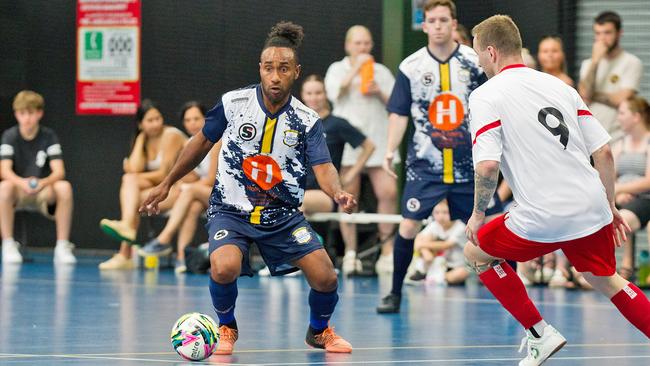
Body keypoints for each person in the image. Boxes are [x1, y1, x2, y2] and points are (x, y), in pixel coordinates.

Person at [140, 22, 356, 355]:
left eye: (283, 69)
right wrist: (167, 182)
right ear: (260, 68)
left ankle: (318, 330)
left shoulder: (306, 119)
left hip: (283, 215)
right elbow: (199, 143)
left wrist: (338, 192)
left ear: (295, 72)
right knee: (223, 266)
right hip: (231, 209)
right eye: (268, 68)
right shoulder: (234, 103)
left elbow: (323, 167)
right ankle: (226, 326)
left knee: (326, 277)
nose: (274, 76)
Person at [465, 15, 650, 365]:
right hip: (590, 207)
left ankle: (539, 333)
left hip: (542, 216)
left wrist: (477, 216)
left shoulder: (485, 95)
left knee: (476, 254)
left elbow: (487, 165)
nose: (477, 62)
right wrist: (609, 206)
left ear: (491, 52)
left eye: (478, 54)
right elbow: (605, 152)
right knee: (607, 281)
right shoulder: (561, 87)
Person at [376, 0, 501, 314]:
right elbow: (399, 113)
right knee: (407, 227)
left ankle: (508, 295)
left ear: (453, 22)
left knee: (494, 228)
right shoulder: (411, 66)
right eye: (432, 20)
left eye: (444, 20)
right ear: (425, 25)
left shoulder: (475, 62)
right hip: (426, 166)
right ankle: (394, 293)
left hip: (469, 165)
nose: (438, 26)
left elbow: (498, 99)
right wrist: (391, 150)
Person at [325, 25, 397, 274]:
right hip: (349, 145)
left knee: (388, 192)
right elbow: (334, 96)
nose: (363, 48)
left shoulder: (381, 72)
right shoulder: (337, 69)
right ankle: (351, 253)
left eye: (366, 43)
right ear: (348, 45)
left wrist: (380, 92)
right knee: (348, 197)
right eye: (358, 44)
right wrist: (356, 69)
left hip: (377, 141)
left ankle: (387, 251)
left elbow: (397, 105)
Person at [98, 100, 187, 270]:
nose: (155, 124)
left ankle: (125, 252)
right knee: (130, 182)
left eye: (158, 119)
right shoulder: (143, 139)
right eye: (150, 120)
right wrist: (140, 139)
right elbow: (133, 168)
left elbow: (163, 175)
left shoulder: (171, 136)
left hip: (181, 191)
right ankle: (126, 233)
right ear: (140, 124)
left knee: (131, 192)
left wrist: (135, 175)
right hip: (162, 189)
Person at [301, 75, 375, 274]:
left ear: (325, 95)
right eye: (309, 93)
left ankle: (345, 255)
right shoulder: (298, 123)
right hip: (300, 189)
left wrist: (351, 175)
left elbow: (368, 146)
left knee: (294, 203)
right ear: (303, 96)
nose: (314, 97)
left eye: (318, 92)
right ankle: (300, 255)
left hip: (325, 194)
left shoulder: (337, 124)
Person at [137, 102, 221, 274]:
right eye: (188, 120)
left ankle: (164, 239)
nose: (192, 123)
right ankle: (182, 258)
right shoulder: (191, 143)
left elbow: (212, 179)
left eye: (197, 118)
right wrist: (184, 181)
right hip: (203, 197)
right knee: (192, 207)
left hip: (223, 196)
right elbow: (191, 175)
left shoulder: (217, 140)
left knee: (188, 191)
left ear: (206, 119)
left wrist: (188, 186)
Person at [0, 90, 76, 264]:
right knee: (4, 187)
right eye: (22, 113)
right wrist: (22, 182)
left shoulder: (49, 136)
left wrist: (42, 182)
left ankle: (62, 245)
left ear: (39, 113)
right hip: (19, 192)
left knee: (64, 187)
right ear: (16, 114)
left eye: (31, 113)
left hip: (43, 192)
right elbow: (4, 170)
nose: (27, 118)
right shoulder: (9, 136)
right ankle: (8, 244)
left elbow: (59, 171)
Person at [578, 11, 643, 139]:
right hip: (591, 136)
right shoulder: (588, 63)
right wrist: (596, 61)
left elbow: (620, 100)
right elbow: (584, 93)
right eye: (597, 33)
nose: (602, 38)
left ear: (619, 33)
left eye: (607, 33)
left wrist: (592, 94)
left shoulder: (631, 62)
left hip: (619, 135)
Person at [612, 96, 650, 280]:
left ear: (636, 117)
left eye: (622, 113)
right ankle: (595, 269)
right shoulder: (620, 143)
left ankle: (623, 268)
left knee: (623, 219)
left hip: (644, 199)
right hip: (622, 198)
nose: (618, 117)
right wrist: (616, 195)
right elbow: (609, 178)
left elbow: (648, 181)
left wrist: (620, 189)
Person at [407, 200, 469, 285]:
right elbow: (418, 238)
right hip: (435, 263)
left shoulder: (460, 227)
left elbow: (446, 245)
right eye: (437, 213)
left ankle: (436, 278)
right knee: (425, 238)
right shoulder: (434, 225)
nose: (441, 216)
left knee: (462, 273)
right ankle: (425, 272)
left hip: (453, 266)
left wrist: (422, 245)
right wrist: (426, 253)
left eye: (445, 212)